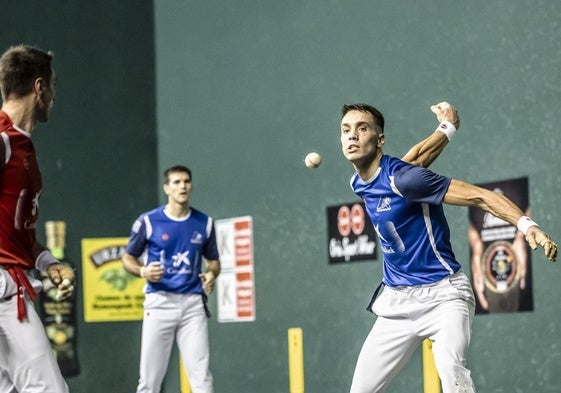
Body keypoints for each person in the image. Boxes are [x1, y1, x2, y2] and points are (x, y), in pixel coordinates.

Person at [340, 102, 557, 393]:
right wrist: (448, 128)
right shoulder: (361, 181)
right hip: (396, 303)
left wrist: (527, 225)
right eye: (345, 130)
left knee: (450, 369)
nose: (352, 136)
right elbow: (417, 157)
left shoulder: (406, 179)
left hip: (444, 297)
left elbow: (479, 197)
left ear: (380, 141)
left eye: (362, 128)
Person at [0, 45, 75, 392]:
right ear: (40, 87)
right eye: (55, 86)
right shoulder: (2, 139)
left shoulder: (22, 145)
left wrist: (48, 263)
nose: (55, 96)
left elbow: (19, 234)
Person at [122, 165, 221, 393]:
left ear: (191, 186)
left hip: (192, 306)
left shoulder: (204, 223)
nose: (182, 186)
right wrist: (143, 272)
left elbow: (213, 260)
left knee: (202, 378)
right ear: (167, 188)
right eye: (176, 182)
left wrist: (211, 274)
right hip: (159, 303)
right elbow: (128, 258)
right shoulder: (148, 221)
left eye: (186, 181)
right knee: (150, 381)